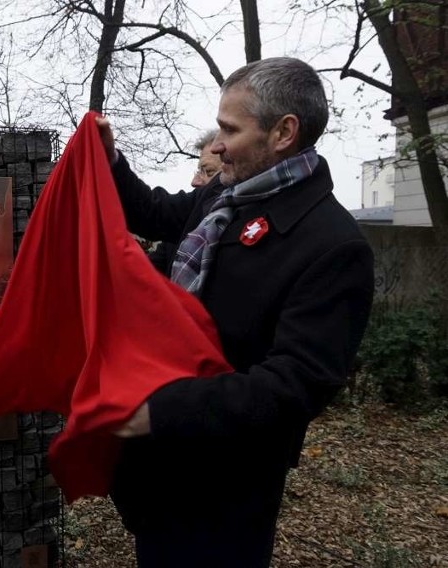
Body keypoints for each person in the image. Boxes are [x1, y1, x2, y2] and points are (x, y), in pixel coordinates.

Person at [97, 57, 374, 567]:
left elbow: (296, 385)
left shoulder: (333, 245)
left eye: (230, 129)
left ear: (283, 132)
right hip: (161, 472)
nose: (217, 143)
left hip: (226, 488)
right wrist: (112, 163)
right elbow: (158, 213)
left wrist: (159, 412)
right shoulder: (225, 196)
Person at [147, 129, 223, 273]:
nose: (194, 182)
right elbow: (145, 273)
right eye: (198, 170)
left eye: (209, 171)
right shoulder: (184, 222)